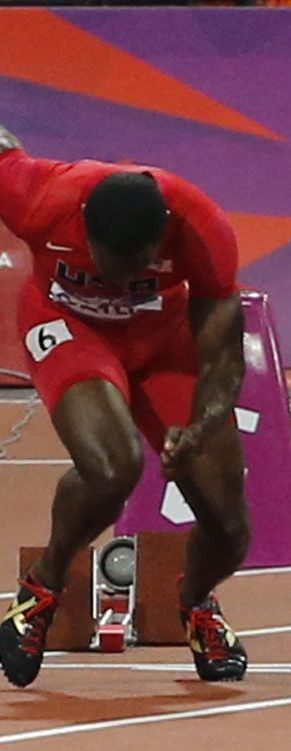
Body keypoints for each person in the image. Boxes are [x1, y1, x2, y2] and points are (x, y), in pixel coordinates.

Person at [0, 125, 250, 687]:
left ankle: (195, 604)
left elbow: (224, 358)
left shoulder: (202, 228)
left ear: (161, 237)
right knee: (114, 468)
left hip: (165, 344)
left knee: (229, 525)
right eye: (103, 261)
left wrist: (200, 426)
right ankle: (42, 589)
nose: (114, 277)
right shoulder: (41, 197)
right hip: (69, 326)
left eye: (131, 267)